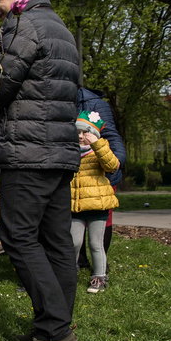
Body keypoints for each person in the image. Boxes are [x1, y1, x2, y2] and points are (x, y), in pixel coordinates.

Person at [0, 0, 81, 341]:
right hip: (60, 153)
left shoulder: (24, 24)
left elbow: (3, 82)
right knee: (56, 241)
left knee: (17, 236)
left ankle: (54, 332)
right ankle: (60, 326)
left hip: (28, 153)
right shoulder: (61, 30)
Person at [76, 87, 127, 265]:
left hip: (100, 172)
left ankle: (100, 269)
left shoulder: (94, 103)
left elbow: (111, 135)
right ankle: (79, 262)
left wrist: (115, 162)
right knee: (75, 220)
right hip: (75, 177)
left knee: (99, 227)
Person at [71, 111, 120, 293]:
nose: (81, 137)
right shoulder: (71, 151)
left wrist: (98, 144)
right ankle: (69, 273)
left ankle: (99, 277)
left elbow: (112, 166)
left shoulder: (100, 148)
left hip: (97, 204)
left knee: (95, 243)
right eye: (78, 133)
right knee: (74, 242)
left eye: (85, 133)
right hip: (76, 205)